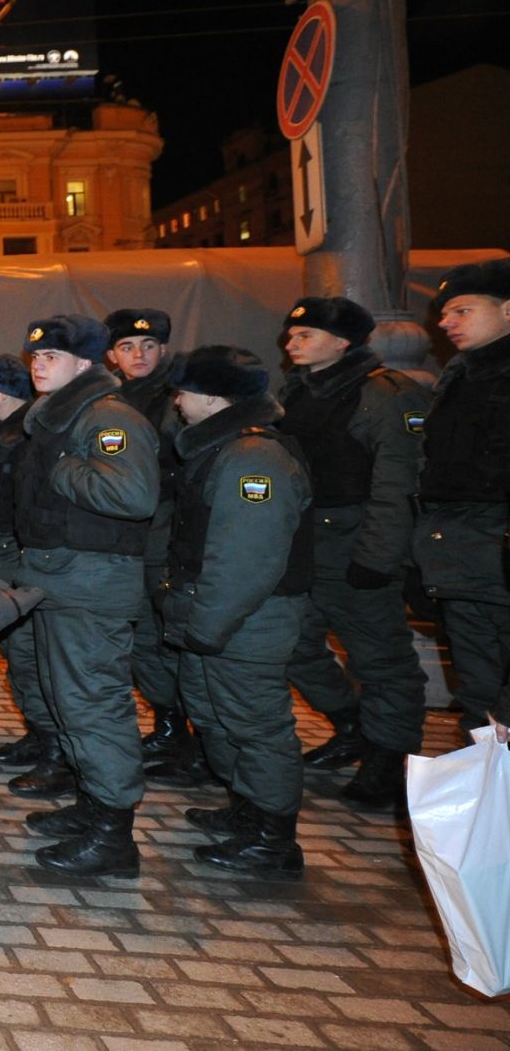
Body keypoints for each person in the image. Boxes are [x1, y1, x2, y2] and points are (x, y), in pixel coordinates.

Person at [14, 316, 160, 879]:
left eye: (51, 355)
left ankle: (114, 838)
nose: (39, 364)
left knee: (94, 705)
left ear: (85, 363)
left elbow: (132, 493)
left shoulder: (107, 416)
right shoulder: (63, 417)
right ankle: (93, 805)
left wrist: (61, 466)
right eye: (35, 357)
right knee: (68, 700)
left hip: (91, 582)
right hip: (61, 577)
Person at [162, 346, 312, 879]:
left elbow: (246, 559)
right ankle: (249, 811)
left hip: (247, 619)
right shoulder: (225, 448)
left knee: (256, 725)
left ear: (209, 397)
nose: (176, 402)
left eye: (181, 392)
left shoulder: (254, 458)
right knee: (217, 716)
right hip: (219, 615)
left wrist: (206, 625)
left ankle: (275, 841)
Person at [277, 296, 430, 809]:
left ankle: (391, 757)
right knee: (293, 643)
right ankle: (352, 726)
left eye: (305, 336)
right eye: (291, 336)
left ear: (343, 342)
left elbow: (398, 482)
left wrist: (378, 557)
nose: (291, 343)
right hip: (305, 545)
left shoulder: (385, 394)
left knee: (381, 659)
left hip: (357, 542)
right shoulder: (298, 392)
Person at [413, 258, 510, 737]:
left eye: (462, 311)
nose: (445, 323)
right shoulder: (461, 376)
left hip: (496, 557)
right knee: (480, 705)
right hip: (464, 561)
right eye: (444, 314)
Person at [101, 308, 197, 784]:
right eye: (127, 347)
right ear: (111, 355)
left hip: (168, 533)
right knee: (140, 638)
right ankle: (168, 723)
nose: (138, 355)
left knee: (174, 634)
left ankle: (197, 734)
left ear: (163, 350)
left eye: (148, 346)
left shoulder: (180, 398)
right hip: (127, 536)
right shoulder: (111, 398)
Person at [0, 355, 56, 776]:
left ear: (3, 392)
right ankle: (38, 736)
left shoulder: (26, 437)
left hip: (16, 554)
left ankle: (52, 748)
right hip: (0, 549)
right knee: (17, 652)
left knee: (27, 653)